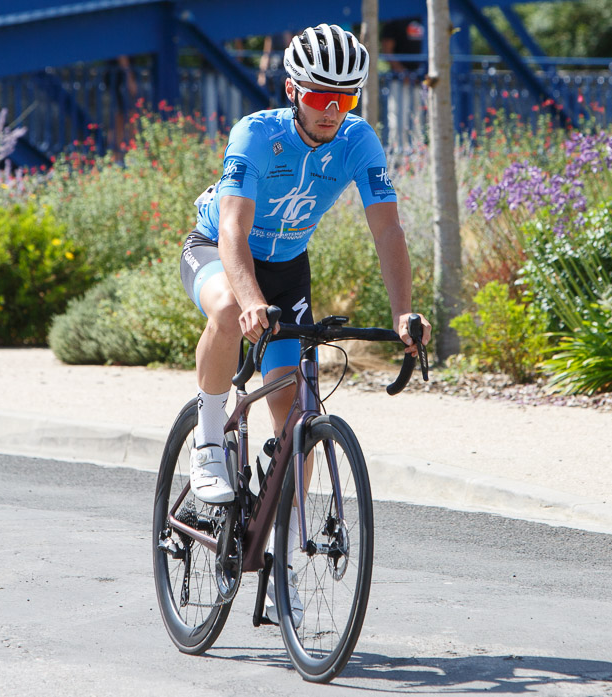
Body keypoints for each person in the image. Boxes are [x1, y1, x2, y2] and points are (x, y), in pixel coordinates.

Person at [179, 23, 432, 623]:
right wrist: (245, 299)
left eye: (343, 100)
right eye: (320, 97)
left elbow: (387, 229)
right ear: (294, 89)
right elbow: (234, 232)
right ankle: (210, 442)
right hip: (219, 249)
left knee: (297, 405)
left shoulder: (358, 141)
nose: (330, 111)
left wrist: (403, 314)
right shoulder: (255, 134)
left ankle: (283, 525)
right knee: (221, 310)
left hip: (288, 267)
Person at [380, 16, 426, 153]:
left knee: (419, 119)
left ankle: (418, 154)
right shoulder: (395, 17)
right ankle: (399, 154)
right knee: (398, 119)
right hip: (399, 80)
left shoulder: (423, 16)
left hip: (419, 81)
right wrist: (403, 73)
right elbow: (387, 49)